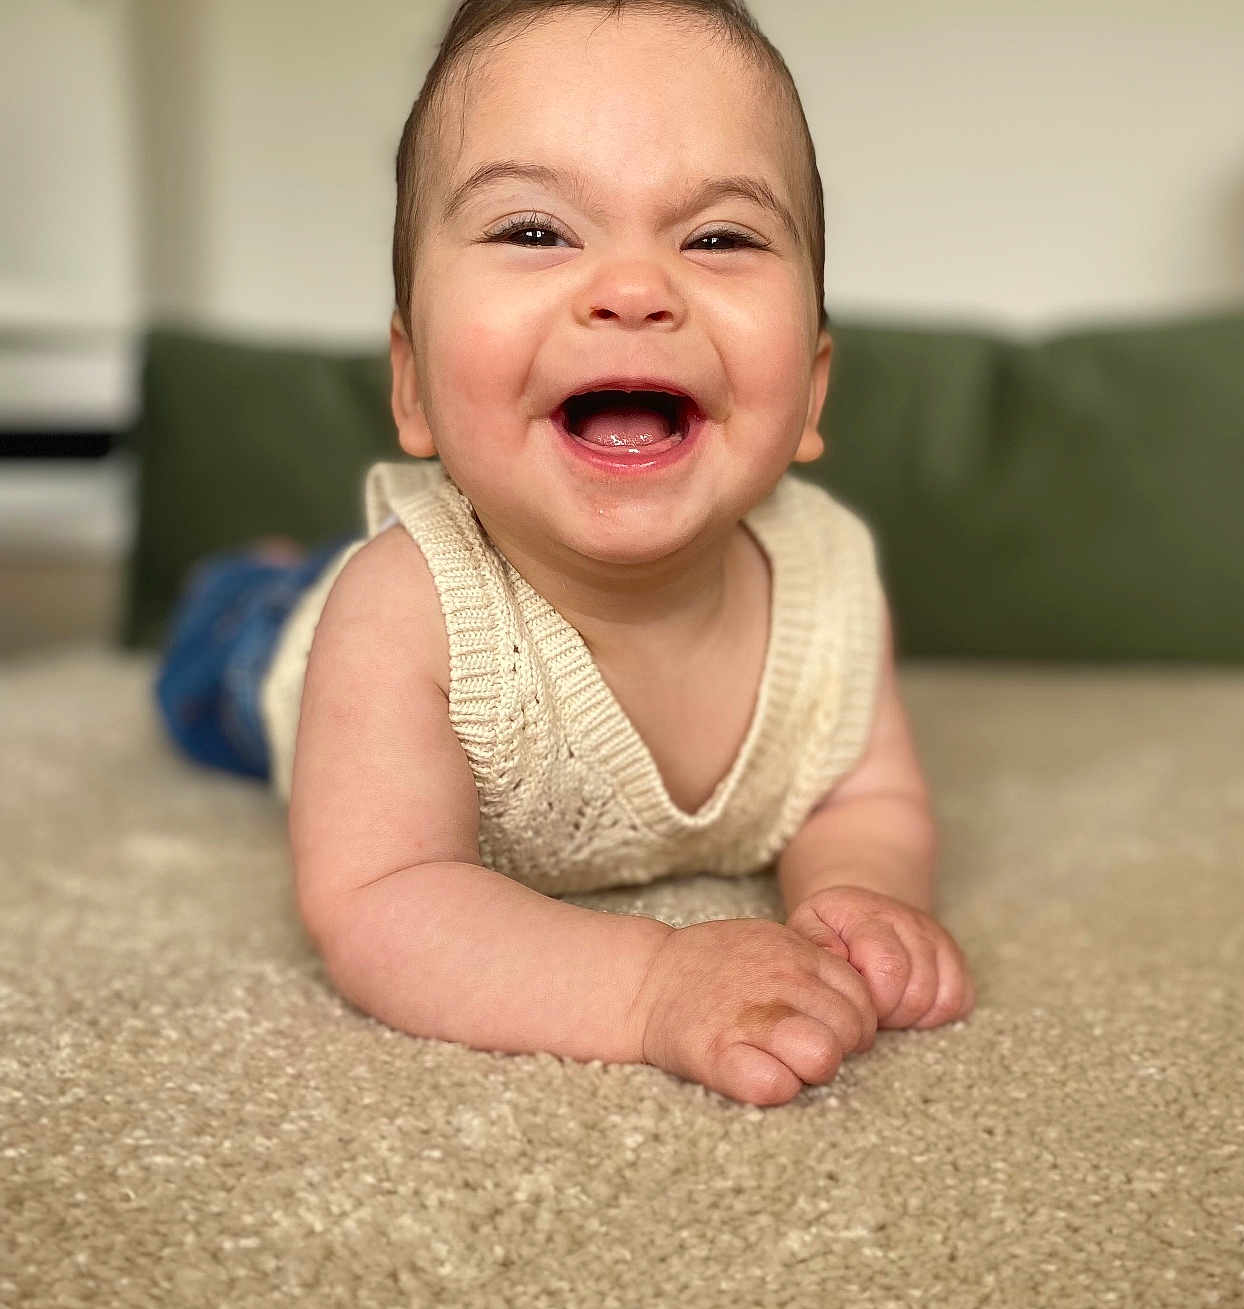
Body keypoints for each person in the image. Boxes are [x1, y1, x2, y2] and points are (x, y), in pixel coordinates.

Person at [154, 0, 976, 1107]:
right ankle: (255, 580)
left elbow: (867, 801)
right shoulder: (400, 616)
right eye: (534, 231)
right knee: (229, 657)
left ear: (814, 389)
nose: (635, 291)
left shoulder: (828, 580)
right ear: (411, 384)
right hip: (287, 659)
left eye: (719, 237)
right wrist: (652, 984)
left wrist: (865, 899)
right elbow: (382, 900)